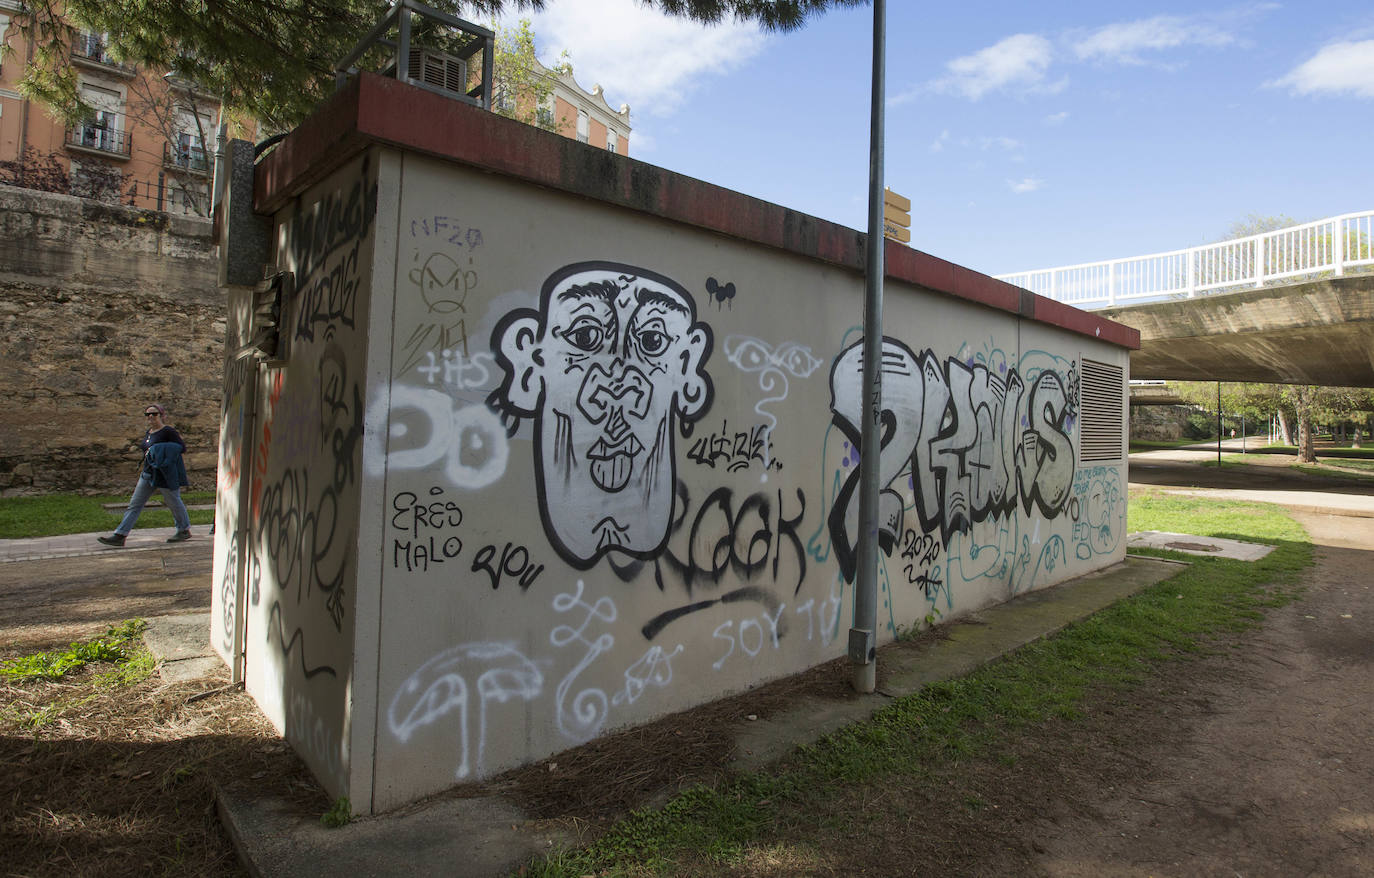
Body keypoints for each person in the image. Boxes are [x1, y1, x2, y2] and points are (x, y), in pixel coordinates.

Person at [97, 404, 192, 546]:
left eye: (154, 414)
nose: (151, 417)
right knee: (135, 504)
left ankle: (184, 530)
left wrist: (159, 449)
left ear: (161, 415)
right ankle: (120, 535)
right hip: (148, 473)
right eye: (148, 415)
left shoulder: (168, 431)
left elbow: (181, 448)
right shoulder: (149, 433)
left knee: (174, 502)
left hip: (164, 474)